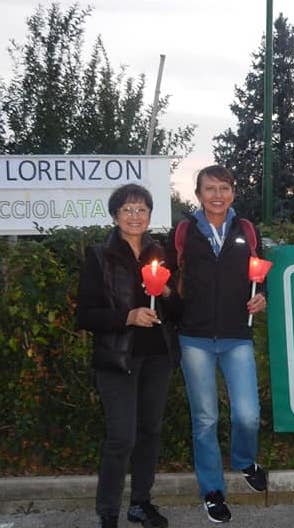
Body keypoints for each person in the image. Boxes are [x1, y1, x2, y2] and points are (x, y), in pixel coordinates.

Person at [168, 165, 268, 524]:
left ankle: (244, 460)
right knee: (206, 419)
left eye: (224, 188)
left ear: (233, 192)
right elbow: (167, 277)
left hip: (236, 335)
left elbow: (260, 274)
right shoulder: (183, 232)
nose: (217, 195)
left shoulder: (247, 230)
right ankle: (212, 491)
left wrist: (263, 297)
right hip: (194, 337)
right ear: (198, 194)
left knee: (247, 414)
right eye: (210, 189)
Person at [77, 184, 180, 528]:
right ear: (115, 215)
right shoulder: (99, 255)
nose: (135, 216)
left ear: (150, 215)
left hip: (157, 357)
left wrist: (166, 291)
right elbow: (86, 315)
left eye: (142, 210)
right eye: (127, 210)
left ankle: (140, 503)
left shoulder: (160, 252)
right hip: (118, 358)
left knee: (150, 432)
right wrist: (128, 316)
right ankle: (108, 512)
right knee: (122, 437)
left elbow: (178, 309)